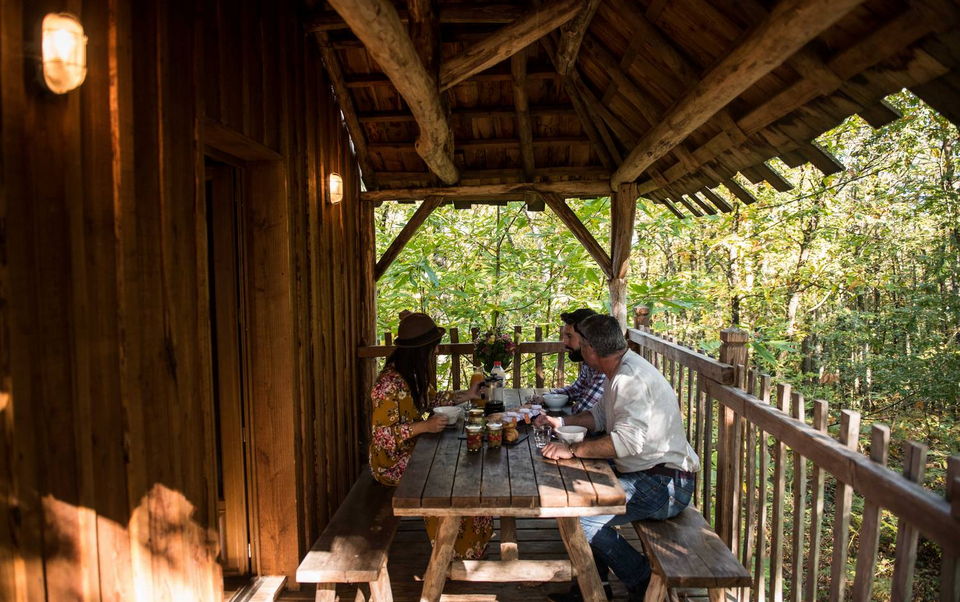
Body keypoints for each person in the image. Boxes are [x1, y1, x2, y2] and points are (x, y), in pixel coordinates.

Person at [537, 314, 699, 601]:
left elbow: (627, 441)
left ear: (591, 350)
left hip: (666, 485)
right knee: (578, 501)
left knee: (582, 517)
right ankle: (593, 587)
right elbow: (599, 416)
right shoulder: (620, 371)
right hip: (648, 473)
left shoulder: (628, 380)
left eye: (580, 344)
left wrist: (572, 449)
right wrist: (560, 424)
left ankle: (641, 580)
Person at [368, 312, 493, 559]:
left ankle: (472, 544)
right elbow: (381, 436)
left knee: (465, 470)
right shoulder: (388, 384)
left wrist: (468, 395)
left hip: (415, 450)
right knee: (442, 480)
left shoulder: (411, 375)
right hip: (391, 462)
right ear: (420, 350)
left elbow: (432, 400)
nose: (435, 353)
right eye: (432, 348)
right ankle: (450, 551)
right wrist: (424, 427)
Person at [537, 308, 605, 414]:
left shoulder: (604, 364)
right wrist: (547, 397)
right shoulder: (588, 360)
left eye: (569, 336)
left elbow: (583, 411)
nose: (565, 342)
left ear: (587, 337)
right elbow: (577, 389)